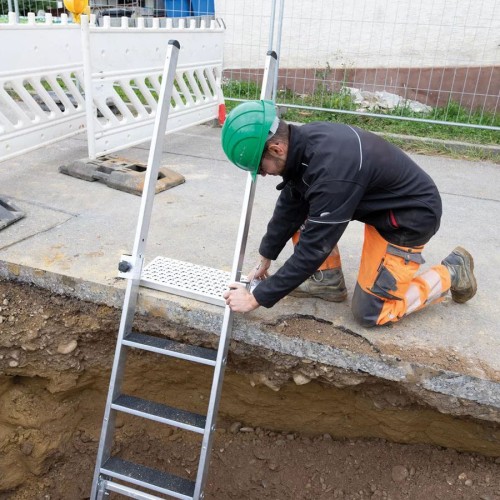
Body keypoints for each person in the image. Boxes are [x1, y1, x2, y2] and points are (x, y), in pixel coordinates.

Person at [221, 100, 477, 327]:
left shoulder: (331, 173)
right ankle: (327, 280)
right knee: (305, 212)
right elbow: (291, 202)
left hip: (407, 221)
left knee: (371, 314)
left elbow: (314, 248)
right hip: (380, 207)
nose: (263, 174)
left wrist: (256, 298)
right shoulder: (303, 143)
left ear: (276, 149)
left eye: (260, 167)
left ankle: (452, 271)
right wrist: (267, 255)